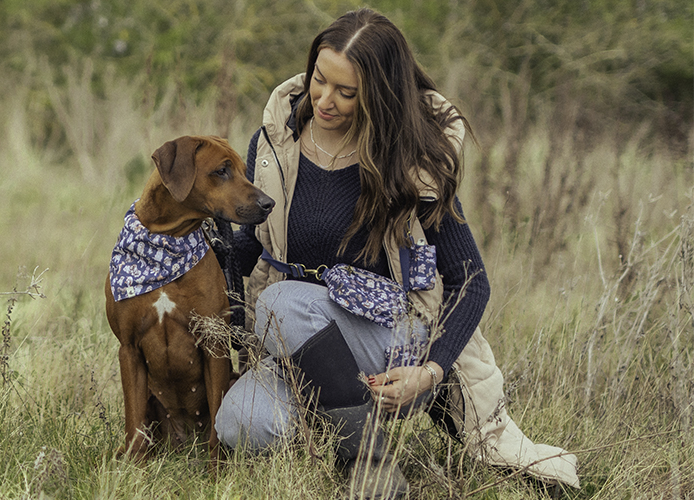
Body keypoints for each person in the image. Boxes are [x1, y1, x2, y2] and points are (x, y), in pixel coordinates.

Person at [214, 8, 579, 499]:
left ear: (379, 93)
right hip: (297, 344)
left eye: (347, 92)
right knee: (241, 425)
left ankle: (371, 467)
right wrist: (180, 247)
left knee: (283, 305)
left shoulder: (410, 159)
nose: (325, 100)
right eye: (320, 80)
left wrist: (430, 370)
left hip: (393, 342)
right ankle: (341, 421)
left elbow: (471, 279)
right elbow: (247, 248)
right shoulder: (276, 141)